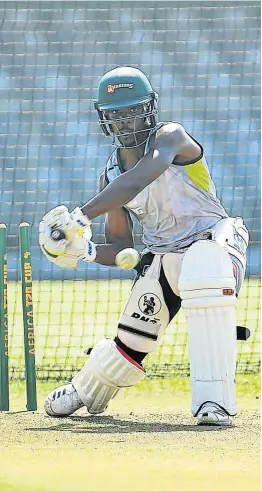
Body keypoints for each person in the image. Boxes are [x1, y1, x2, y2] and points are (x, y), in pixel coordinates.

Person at [39, 66, 249, 425]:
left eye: (134, 110)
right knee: (132, 340)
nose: (126, 121)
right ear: (105, 119)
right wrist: (85, 251)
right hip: (164, 258)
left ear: (149, 108)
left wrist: (79, 217)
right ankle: (87, 388)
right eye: (116, 114)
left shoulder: (171, 137)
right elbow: (120, 245)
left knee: (203, 265)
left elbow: (140, 179)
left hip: (216, 242)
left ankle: (215, 403)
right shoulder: (110, 175)